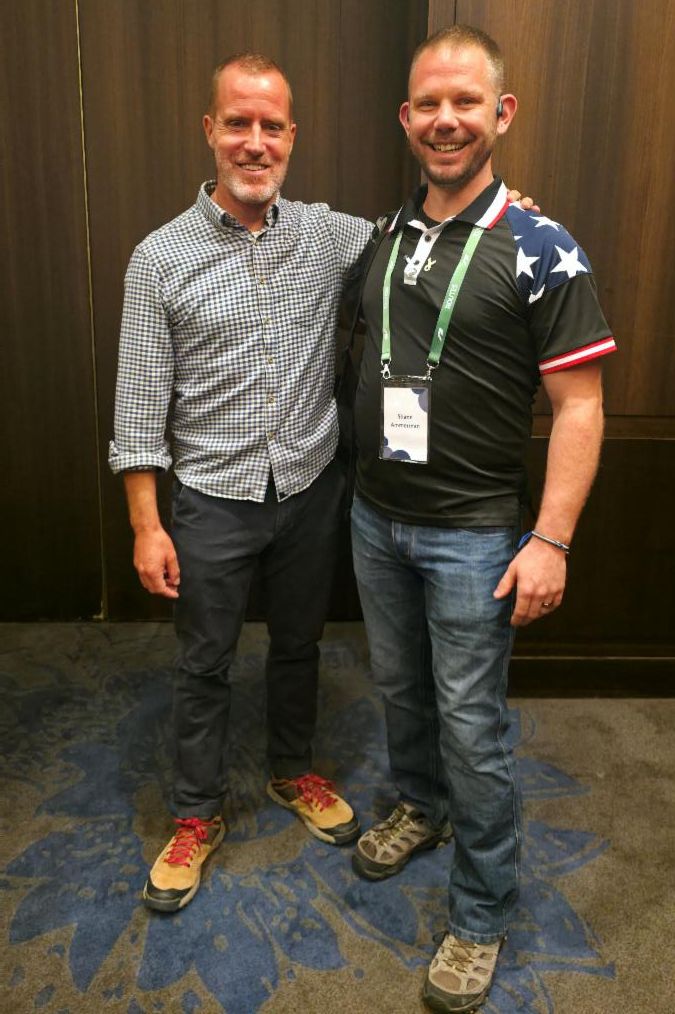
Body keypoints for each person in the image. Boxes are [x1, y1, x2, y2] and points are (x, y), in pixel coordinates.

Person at [347, 25, 616, 1013]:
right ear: (405, 117)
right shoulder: (382, 235)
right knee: (398, 691)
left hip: (474, 536)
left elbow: (580, 406)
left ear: (501, 114)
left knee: (473, 726)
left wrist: (551, 538)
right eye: (429, 103)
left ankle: (483, 909)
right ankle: (420, 808)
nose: (446, 119)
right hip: (376, 518)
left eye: (466, 101)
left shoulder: (543, 246)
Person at [109, 53, 374, 913]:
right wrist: (147, 524)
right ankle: (195, 813)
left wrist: (502, 214)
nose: (254, 143)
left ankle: (292, 769)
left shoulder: (328, 235)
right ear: (210, 131)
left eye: (270, 126)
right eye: (238, 123)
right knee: (204, 662)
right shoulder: (159, 259)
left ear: (291, 136)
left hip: (308, 487)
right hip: (211, 500)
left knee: (299, 644)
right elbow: (138, 406)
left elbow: (418, 237)